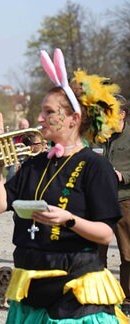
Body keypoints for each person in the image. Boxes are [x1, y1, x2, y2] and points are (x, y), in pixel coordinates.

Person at [0, 48, 126, 322]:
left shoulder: (95, 167)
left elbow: (104, 234)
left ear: (74, 119)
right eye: (41, 111)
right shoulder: (34, 163)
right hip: (32, 286)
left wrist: (69, 219)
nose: (40, 118)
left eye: (49, 111)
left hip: (75, 289)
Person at [101, 94, 130, 314]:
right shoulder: (104, 136)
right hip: (102, 202)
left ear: (122, 114)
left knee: (128, 254)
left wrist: (123, 176)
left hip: (125, 201)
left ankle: (127, 300)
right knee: (96, 252)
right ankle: (99, 297)